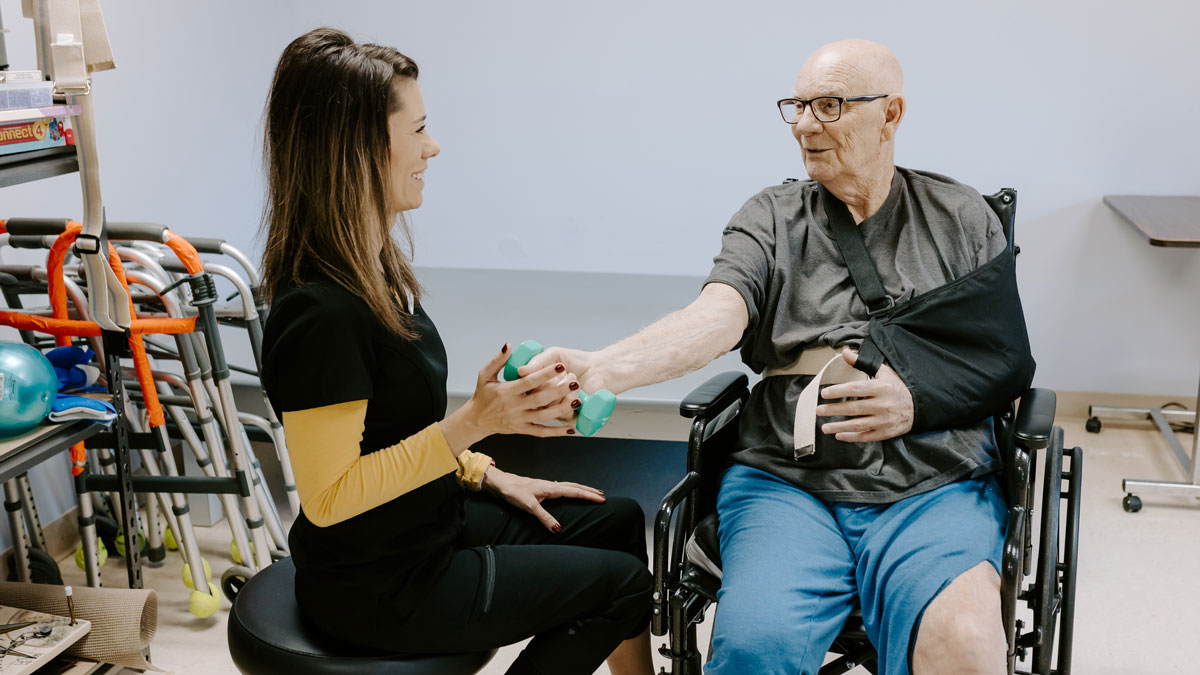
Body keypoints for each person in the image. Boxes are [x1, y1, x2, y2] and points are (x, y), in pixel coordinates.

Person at [528, 39, 1016, 675]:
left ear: (890, 115)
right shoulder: (772, 217)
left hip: (934, 481)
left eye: (831, 106)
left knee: (967, 646)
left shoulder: (961, 217)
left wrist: (916, 398)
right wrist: (602, 368)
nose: (806, 125)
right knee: (755, 649)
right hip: (789, 481)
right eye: (799, 106)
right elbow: (716, 316)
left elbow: (1005, 359)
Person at [258, 28, 654, 675]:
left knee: (618, 520)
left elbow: (392, 429)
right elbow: (329, 495)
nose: (432, 147)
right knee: (624, 586)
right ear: (360, 147)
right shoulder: (319, 310)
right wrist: (477, 421)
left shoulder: (374, 266)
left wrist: (485, 470)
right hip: (379, 584)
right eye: (417, 130)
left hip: (421, 527)